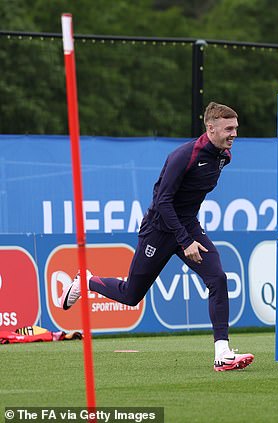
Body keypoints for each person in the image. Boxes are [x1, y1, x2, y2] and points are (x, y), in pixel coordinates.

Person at [61, 102, 254, 372]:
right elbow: (162, 201)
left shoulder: (224, 156)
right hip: (159, 229)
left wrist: (188, 233)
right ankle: (87, 281)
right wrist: (184, 240)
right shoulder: (184, 155)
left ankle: (222, 353)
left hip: (188, 225)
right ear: (210, 128)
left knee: (218, 278)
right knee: (131, 295)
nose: (234, 134)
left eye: (236, 128)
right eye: (229, 128)